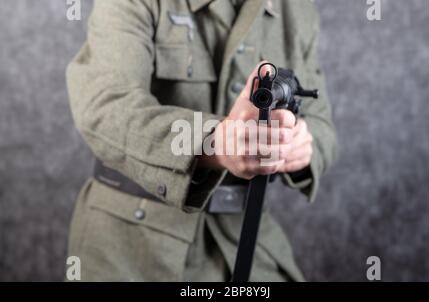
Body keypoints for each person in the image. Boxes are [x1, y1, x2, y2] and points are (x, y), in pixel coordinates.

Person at [66, 0, 337, 281]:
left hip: (249, 239)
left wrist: (299, 143)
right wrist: (213, 142)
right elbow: (105, 106)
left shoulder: (297, 8)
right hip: (131, 247)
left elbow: (322, 126)